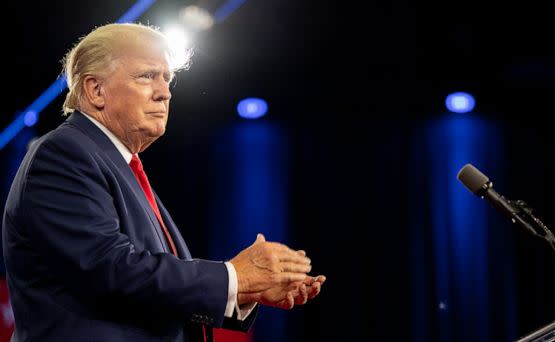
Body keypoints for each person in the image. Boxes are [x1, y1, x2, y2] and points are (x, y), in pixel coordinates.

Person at [2, 22, 326, 342]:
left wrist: (243, 289)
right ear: (95, 89)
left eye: (167, 78)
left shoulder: (118, 165)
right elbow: (111, 269)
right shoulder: (63, 154)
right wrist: (233, 278)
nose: (164, 92)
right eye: (147, 76)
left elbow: (149, 289)